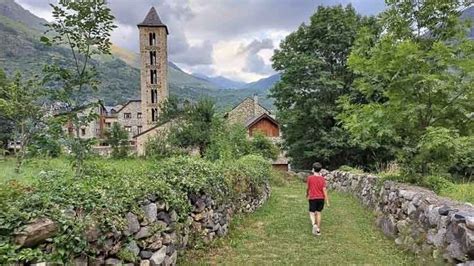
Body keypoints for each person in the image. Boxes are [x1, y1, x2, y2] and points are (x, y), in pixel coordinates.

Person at [306, 162, 329, 236]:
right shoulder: (322, 179)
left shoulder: (310, 178)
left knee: (312, 212)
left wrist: (307, 194)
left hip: (312, 198)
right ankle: (318, 229)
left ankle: (314, 224)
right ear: (320, 170)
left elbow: (308, 188)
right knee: (318, 212)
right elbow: (324, 190)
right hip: (321, 198)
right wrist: (327, 200)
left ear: (313, 169)